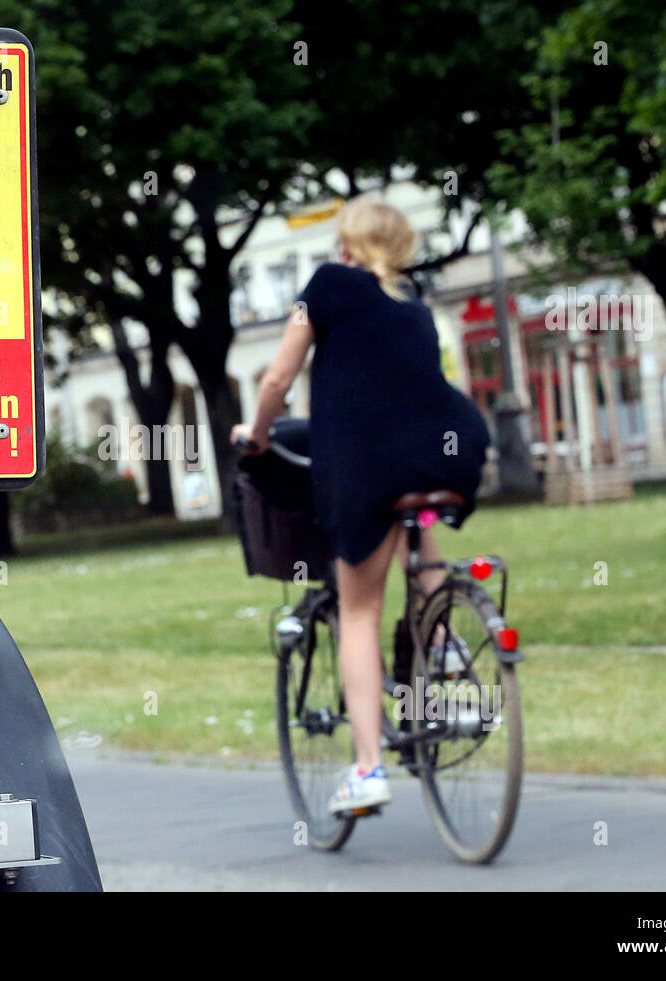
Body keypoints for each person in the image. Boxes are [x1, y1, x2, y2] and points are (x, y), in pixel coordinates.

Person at [231, 196, 490, 815]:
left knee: (360, 610)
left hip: (369, 465)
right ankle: (443, 638)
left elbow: (276, 380)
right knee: (418, 520)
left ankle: (369, 769)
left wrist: (258, 434)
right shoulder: (416, 303)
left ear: (346, 245)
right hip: (445, 454)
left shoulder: (324, 285)